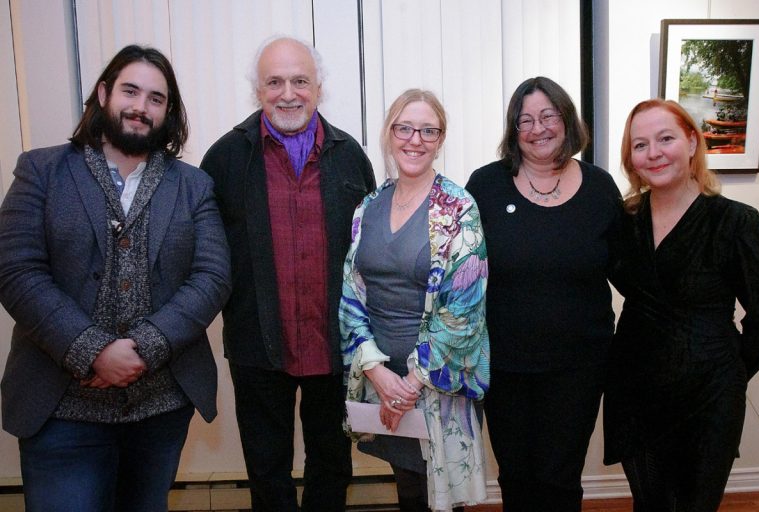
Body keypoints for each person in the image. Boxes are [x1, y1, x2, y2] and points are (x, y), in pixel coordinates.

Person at [0, 45, 231, 511]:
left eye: (156, 99)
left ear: (168, 112)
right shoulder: (41, 170)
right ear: (104, 93)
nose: (140, 107)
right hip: (60, 409)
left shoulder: (192, 185)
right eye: (131, 91)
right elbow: (16, 269)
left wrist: (143, 348)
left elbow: (212, 276)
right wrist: (93, 351)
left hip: (159, 409)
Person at [199, 36, 375, 511]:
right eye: (274, 82)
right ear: (257, 91)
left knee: (333, 466)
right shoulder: (224, 159)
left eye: (300, 81)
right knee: (266, 469)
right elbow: (206, 256)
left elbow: (369, 254)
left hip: (334, 347)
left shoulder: (349, 155)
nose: (288, 93)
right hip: (259, 348)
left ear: (319, 87)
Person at [465, 76, 622, 511]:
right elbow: (460, 269)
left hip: (579, 366)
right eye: (525, 120)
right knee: (516, 476)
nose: (538, 128)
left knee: (560, 477)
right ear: (514, 131)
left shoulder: (599, 188)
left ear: (566, 119)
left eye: (548, 115)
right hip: (505, 364)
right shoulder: (486, 186)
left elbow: (630, 269)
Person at [603, 98, 759, 511]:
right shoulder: (624, 221)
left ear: (692, 143)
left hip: (708, 395)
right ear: (631, 159)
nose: (653, 153)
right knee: (650, 504)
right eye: (640, 145)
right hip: (634, 390)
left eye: (665, 138)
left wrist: (729, 369)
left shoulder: (734, 222)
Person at [340, 89, 490, 512]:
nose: (415, 139)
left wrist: (410, 383)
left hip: (434, 380)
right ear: (390, 134)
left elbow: (465, 309)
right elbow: (351, 294)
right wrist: (375, 371)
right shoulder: (368, 206)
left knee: (440, 500)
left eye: (428, 130)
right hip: (382, 378)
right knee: (407, 488)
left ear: (441, 139)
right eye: (404, 128)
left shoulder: (459, 208)